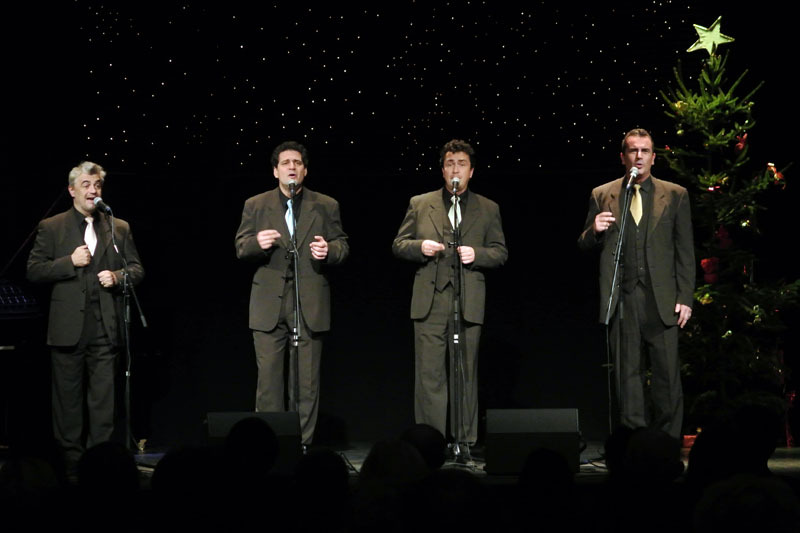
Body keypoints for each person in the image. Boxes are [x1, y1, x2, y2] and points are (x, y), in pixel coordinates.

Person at [26, 161, 144, 472]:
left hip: (106, 327)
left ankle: (100, 466)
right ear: (72, 190)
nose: (93, 191)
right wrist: (69, 261)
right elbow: (34, 270)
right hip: (68, 329)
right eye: (86, 185)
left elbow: (136, 269)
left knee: (103, 402)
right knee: (68, 404)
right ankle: (71, 467)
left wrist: (118, 277)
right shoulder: (52, 226)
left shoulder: (118, 227)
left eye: (97, 185)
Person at [578, 128, 695, 438]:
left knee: (666, 376)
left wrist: (685, 297)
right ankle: (634, 442)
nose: (639, 156)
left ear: (653, 158)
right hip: (623, 297)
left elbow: (685, 251)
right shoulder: (603, 194)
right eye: (633, 151)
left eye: (644, 151)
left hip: (662, 298)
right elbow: (584, 243)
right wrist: (595, 230)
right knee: (627, 376)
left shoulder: (675, 194)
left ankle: (667, 442)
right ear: (623, 157)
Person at [392, 139, 507, 448]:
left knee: (465, 373)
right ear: (442, 170)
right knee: (429, 376)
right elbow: (399, 244)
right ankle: (429, 442)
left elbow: (500, 252)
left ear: (472, 171)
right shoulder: (420, 203)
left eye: (462, 164)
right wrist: (421, 246)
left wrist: (477, 254)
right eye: (450, 164)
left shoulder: (488, 208)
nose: (456, 170)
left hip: (467, 300)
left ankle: (464, 441)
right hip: (430, 301)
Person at [235, 141, 348, 445]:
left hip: (308, 304)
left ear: (305, 170)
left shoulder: (325, 205)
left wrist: (329, 250)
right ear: (275, 171)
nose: (292, 167)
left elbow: (342, 245)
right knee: (269, 384)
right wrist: (257, 242)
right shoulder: (255, 204)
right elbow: (241, 247)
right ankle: (268, 446)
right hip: (268, 305)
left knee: (305, 384)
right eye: (285, 163)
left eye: (297, 162)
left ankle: (302, 445)